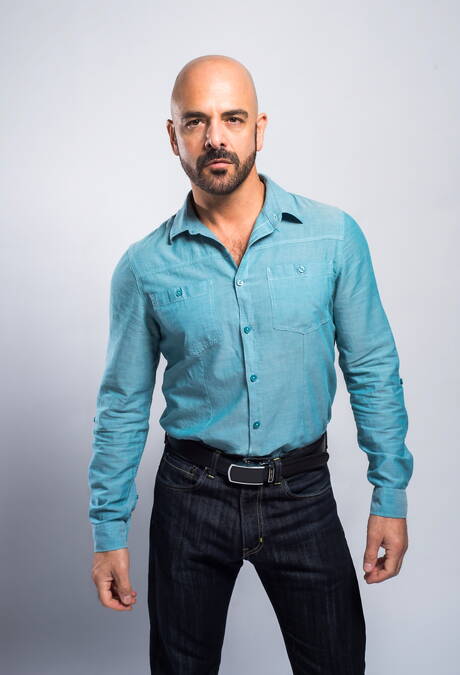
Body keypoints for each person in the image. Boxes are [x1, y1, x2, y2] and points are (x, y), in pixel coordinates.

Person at [88, 54, 414, 674]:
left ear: (259, 128)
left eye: (232, 118)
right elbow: (122, 404)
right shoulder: (144, 266)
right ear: (173, 136)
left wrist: (389, 494)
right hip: (190, 495)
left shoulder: (333, 238)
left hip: (302, 493)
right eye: (196, 121)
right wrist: (108, 530)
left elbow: (372, 368)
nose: (216, 137)